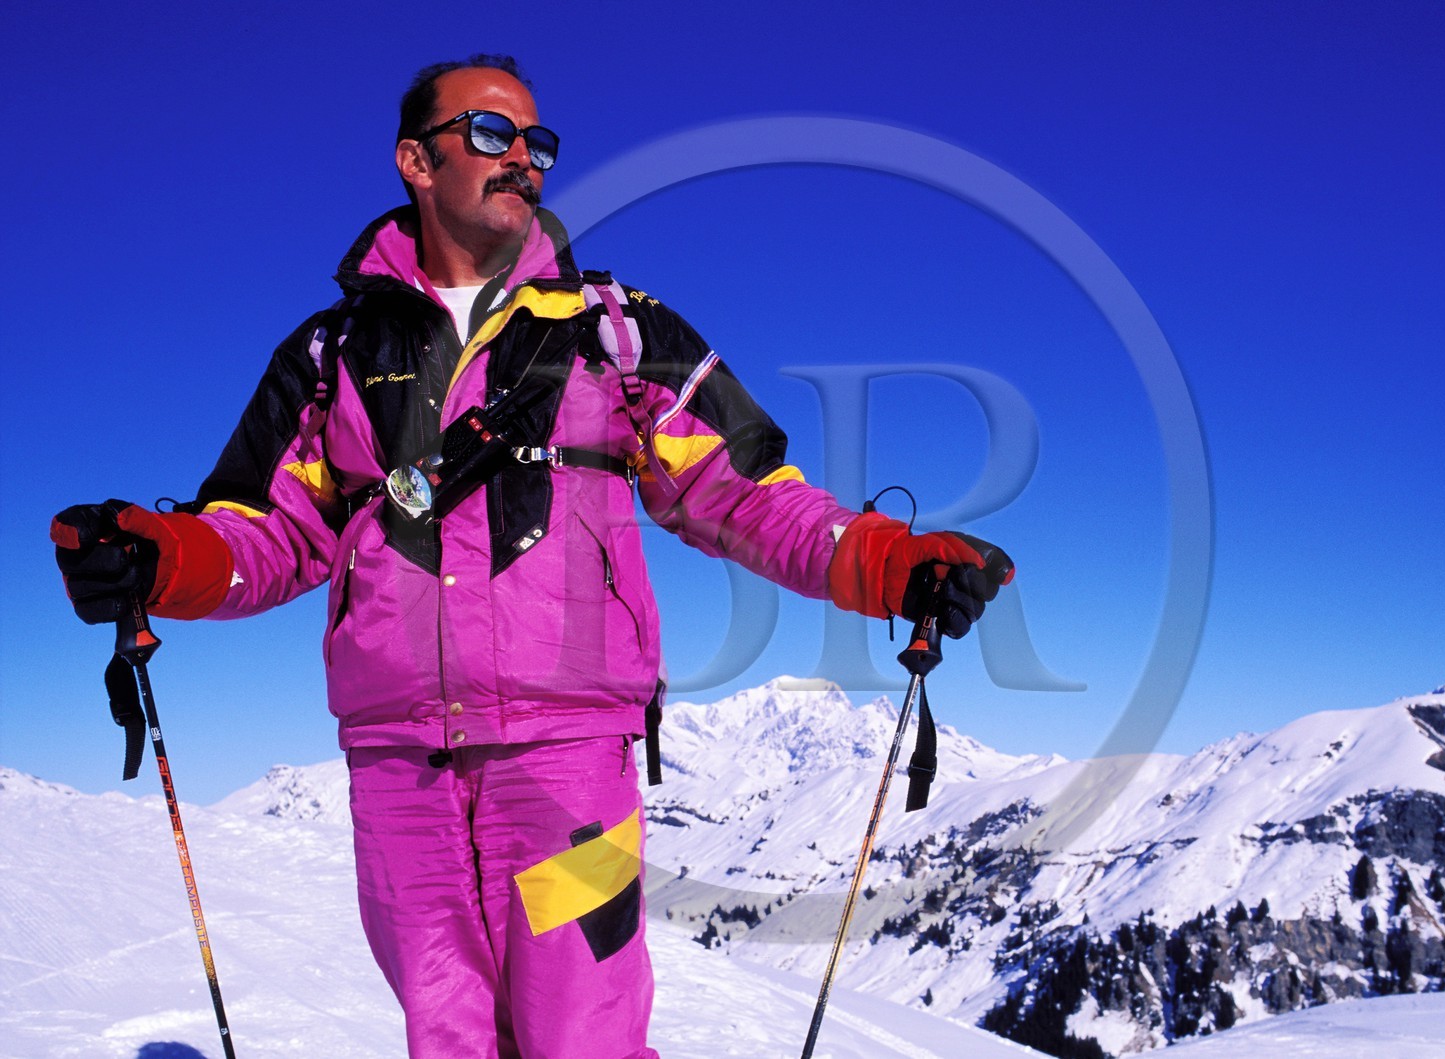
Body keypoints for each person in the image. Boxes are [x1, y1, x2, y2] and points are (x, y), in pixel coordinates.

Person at [50, 55, 1012, 1059]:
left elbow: (739, 490)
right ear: (415, 161)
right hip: (398, 773)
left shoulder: (619, 334)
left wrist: (883, 565)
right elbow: (271, 530)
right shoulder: (329, 357)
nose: (527, 159)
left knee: (580, 1033)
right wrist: (161, 560)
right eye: (493, 134)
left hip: (567, 773)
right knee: (446, 1033)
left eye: (538, 143)